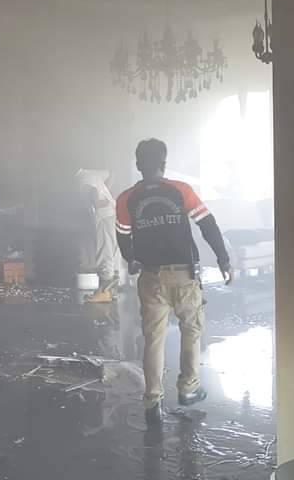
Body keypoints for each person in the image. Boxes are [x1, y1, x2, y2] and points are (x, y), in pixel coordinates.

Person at [114, 139, 232, 425]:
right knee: (191, 330)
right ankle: (188, 387)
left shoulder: (126, 198)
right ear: (164, 164)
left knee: (153, 339)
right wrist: (223, 260)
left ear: (138, 165)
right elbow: (208, 225)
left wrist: (131, 258)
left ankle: (152, 400)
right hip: (184, 276)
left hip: (150, 277)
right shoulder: (181, 191)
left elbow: (123, 235)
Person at [75, 169, 122, 300]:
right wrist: (107, 193)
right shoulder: (93, 173)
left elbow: (94, 195)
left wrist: (99, 202)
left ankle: (104, 291)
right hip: (113, 212)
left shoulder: (82, 179)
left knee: (104, 251)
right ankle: (112, 292)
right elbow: (112, 174)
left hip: (104, 215)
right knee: (113, 252)